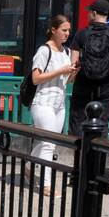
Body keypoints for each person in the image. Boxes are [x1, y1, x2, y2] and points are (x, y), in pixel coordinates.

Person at [68, 0, 109, 138]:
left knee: (78, 123)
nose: (88, 15)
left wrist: (68, 82)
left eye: (89, 12)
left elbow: (73, 64)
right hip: (106, 86)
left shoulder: (81, 34)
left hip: (83, 85)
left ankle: (79, 156)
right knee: (101, 123)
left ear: (94, 13)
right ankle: (98, 156)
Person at [29, 15, 77, 193]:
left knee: (50, 143)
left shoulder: (65, 52)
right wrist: (61, 71)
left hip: (59, 104)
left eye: (68, 31)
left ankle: (28, 167)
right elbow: (35, 78)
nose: (67, 34)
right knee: (48, 144)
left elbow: (68, 81)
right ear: (54, 30)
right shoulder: (44, 50)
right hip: (43, 103)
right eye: (64, 30)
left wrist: (73, 72)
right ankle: (45, 184)